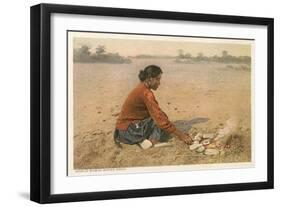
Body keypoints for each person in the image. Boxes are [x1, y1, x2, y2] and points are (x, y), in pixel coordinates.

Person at [114, 65, 192, 148]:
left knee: (161, 117)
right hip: (128, 132)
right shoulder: (146, 93)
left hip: (122, 132)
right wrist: (181, 135)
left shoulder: (141, 88)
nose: (159, 83)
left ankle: (144, 140)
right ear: (150, 79)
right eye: (157, 79)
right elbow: (159, 118)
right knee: (158, 120)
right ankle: (152, 142)